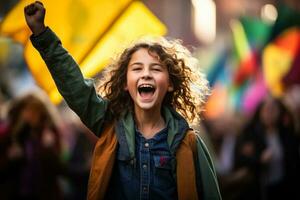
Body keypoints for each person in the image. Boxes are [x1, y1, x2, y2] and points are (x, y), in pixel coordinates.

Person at [24, 1, 221, 200]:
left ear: (170, 84)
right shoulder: (109, 124)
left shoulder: (189, 142)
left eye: (155, 68)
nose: (146, 74)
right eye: (137, 68)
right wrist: (42, 35)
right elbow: (75, 85)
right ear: (125, 83)